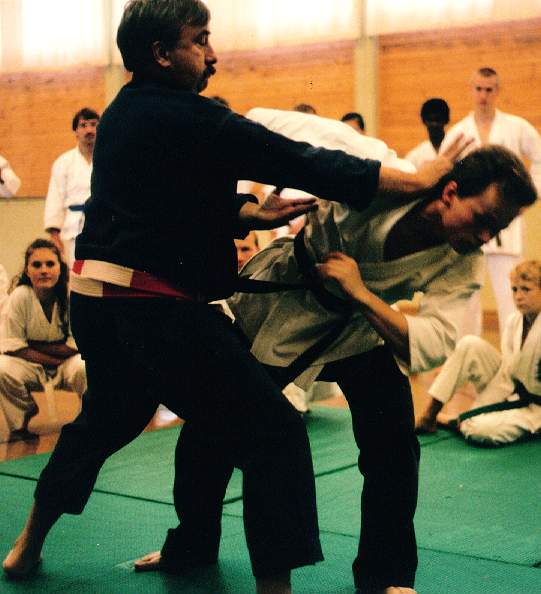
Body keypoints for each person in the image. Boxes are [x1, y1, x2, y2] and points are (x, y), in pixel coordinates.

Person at [2, 2, 457, 593]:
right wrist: (418, 178)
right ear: (162, 54)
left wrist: (245, 212)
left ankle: (27, 544)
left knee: (109, 419)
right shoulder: (195, 118)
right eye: (200, 40)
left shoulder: (121, 114)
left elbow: (168, 205)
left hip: (98, 300)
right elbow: (300, 160)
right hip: (154, 310)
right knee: (274, 430)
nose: (213, 54)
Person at [138, 106, 533, 593]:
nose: (486, 237)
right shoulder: (377, 166)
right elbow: (262, 122)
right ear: (450, 191)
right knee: (214, 427)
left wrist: (362, 294)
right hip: (283, 303)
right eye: (484, 219)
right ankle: (192, 544)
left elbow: (432, 345)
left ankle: (387, 576)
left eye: (497, 228)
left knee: (394, 440)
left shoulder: (462, 261)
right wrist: (250, 196)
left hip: (356, 325)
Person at [440, 67, 541, 334]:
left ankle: (514, 352)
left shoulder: (516, 127)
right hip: (468, 223)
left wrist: (525, 201)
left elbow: (540, 157)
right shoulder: (459, 132)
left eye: (488, 89)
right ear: (471, 90)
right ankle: (465, 350)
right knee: (466, 295)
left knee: (513, 293)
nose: (483, 95)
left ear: (497, 91)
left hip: (506, 223)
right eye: (478, 89)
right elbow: (444, 171)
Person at [416, 260, 541, 443]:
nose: (518, 296)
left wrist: (476, 416)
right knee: (469, 344)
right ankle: (430, 414)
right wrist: (481, 407)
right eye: (514, 289)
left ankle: (460, 422)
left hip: (536, 408)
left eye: (526, 289)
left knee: (479, 428)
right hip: (513, 391)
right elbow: (506, 375)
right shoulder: (514, 322)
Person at [0, 239, 86, 442]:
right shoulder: (20, 296)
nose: (44, 270)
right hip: (32, 365)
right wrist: (53, 356)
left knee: (84, 366)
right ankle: (21, 419)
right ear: (27, 270)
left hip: (66, 364)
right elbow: (12, 346)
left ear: (60, 268)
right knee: (2, 367)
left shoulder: (71, 295)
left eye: (50, 264)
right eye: (36, 265)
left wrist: (34, 345)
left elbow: (76, 345)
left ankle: (89, 419)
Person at [43, 107, 100, 268]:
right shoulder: (63, 162)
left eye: (93, 124)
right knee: (73, 272)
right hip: (72, 228)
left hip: (102, 225)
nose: (89, 130)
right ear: (76, 131)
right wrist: (54, 235)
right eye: (83, 125)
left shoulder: (108, 159)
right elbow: (55, 199)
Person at [405, 98, 450, 170]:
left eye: (438, 119)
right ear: (424, 121)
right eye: (430, 120)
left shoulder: (456, 149)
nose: (434, 124)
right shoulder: (415, 157)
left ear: (446, 120)